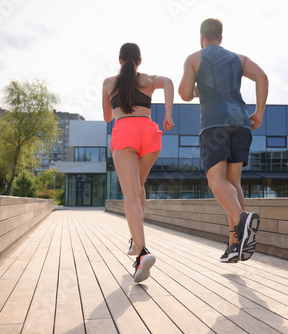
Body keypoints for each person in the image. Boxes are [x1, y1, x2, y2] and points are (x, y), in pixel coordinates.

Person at [178, 19, 268, 263]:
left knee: (215, 180)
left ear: (201, 37)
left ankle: (242, 222)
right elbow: (262, 77)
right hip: (241, 122)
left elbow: (184, 94)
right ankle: (234, 244)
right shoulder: (239, 59)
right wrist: (259, 111)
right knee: (233, 182)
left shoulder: (194, 58)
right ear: (221, 37)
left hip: (214, 124)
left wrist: (197, 86)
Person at [103, 42, 174, 282]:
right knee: (139, 187)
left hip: (125, 135)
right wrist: (167, 115)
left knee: (131, 196)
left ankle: (142, 253)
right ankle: (135, 240)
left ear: (120, 60)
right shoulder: (147, 80)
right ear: (140, 61)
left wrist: (116, 105)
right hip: (150, 134)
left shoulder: (108, 83)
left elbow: (106, 118)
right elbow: (169, 83)